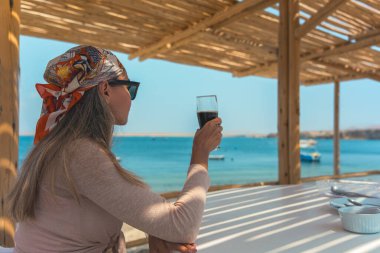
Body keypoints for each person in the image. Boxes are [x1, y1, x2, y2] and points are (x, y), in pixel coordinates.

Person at [6, 45, 223, 253]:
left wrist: (155, 231)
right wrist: (200, 155)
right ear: (106, 90)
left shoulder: (58, 146)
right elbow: (183, 227)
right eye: (129, 88)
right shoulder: (80, 154)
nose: (131, 97)